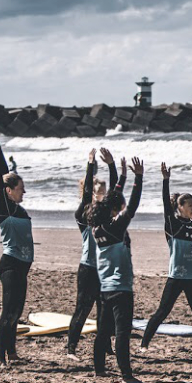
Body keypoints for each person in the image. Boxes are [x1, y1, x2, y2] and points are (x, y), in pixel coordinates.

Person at [139, 161, 192, 353]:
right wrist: (166, 180)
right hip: (176, 278)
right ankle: (144, 344)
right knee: (162, 312)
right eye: (190, 205)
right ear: (180, 207)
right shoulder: (173, 225)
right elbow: (166, 204)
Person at [89, 157, 144, 383]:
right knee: (122, 332)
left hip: (105, 287)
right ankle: (127, 374)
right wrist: (138, 179)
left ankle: (99, 368)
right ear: (115, 209)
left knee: (103, 331)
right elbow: (132, 205)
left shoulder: (96, 229)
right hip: (121, 287)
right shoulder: (116, 227)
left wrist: (120, 175)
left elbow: (115, 200)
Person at [66, 148, 120, 359]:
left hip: (105, 268)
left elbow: (117, 191)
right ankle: (71, 348)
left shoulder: (106, 214)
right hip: (88, 268)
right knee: (83, 308)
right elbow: (87, 191)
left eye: (104, 191)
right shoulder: (84, 214)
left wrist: (112, 164)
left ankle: (105, 346)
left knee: (105, 309)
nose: (103, 194)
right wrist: (90, 165)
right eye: (100, 191)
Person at [0, 133, 33, 368]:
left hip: (21, 268)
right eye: (21, 189)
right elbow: (0, 174)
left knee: (16, 312)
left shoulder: (16, 207)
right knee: (7, 314)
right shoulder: (4, 206)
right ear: (9, 190)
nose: (23, 193)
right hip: (10, 266)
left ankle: (12, 353)